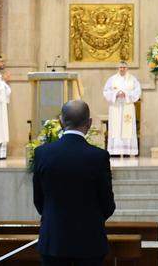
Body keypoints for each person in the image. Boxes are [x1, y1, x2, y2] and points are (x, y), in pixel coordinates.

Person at [33, 100, 116, 265]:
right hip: (90, 243)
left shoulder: (42, 153)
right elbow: (107, 204)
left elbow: (39, 200)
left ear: (60, 122)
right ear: (90, 123)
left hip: (53, 242)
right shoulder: (98, 157)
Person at [102, 61, 142, 157]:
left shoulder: (133, 80)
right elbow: (106, 91)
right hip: (115, 106)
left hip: (127, 105)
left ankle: (127, 151)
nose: (122, 69)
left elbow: (137, 92)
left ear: (127, 68)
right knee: (115, 127)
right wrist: (116, 94)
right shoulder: (112, 79)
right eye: (120, 67)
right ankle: (115, 151)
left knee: (127, 127)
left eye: (124, 67)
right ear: (118, 68)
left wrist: (126, 94)